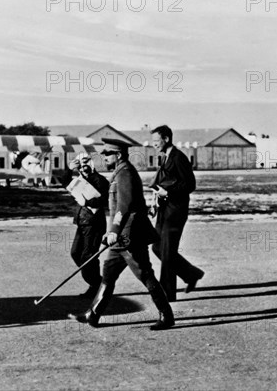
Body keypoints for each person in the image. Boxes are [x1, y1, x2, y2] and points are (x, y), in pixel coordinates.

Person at [68, 138, 174, 330]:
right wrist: (110, 232)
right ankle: (93, 314)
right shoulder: (119, 173)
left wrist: (114, 231)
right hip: (121, 236)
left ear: (117, 155)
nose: (104, 157)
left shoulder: (125, 174)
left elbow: (124, 207)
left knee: (145, 274)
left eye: (107, 154)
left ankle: (166, 316)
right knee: (108, 274)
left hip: (129, 236)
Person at [149, 125, 204, 302]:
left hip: (176, 211)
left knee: (167, 252)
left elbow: (190, 185)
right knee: (157, 247)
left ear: (166, 139)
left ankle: (167, 294)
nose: (154, 145)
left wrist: (169, 193)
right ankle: (191, 273)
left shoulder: (178, 158)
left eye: (156, 141)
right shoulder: (165, 157)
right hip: (164, 209)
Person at [68, 154, 109, 298]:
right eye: (80, 163)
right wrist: (69, 171)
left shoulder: (100, 180)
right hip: (82, 222)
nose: (83, 165)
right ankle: (97, 282)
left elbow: (103, 199)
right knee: (75, 253)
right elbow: (66, 183)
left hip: (94, 223)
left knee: (88, 256)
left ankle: (96, 286)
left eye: (86, 162)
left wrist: (88, 202)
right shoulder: (79, 179)